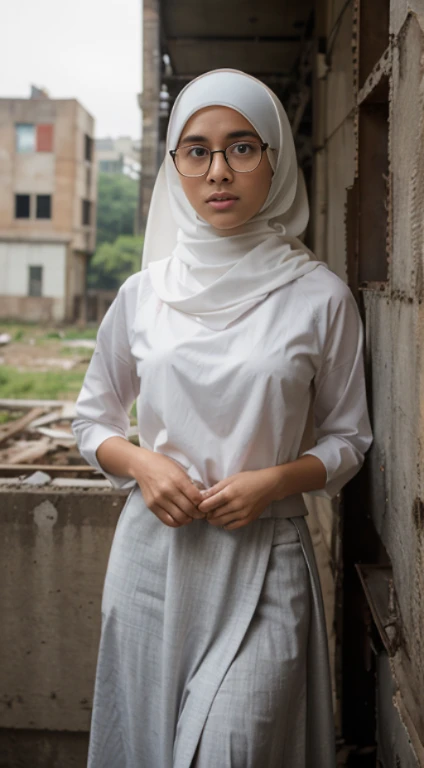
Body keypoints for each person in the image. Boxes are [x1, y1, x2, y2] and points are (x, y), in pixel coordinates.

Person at [73, 69, 373, 768]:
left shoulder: (318, 296)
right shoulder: (143, 295)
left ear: (275, 158)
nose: (218, 171)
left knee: (231, 749)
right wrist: (144, 463)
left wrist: (270, 483)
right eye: (196, 151)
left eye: (242, 147)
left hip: (266, 557)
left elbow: (350, 439)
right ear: (175, 167)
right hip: (154, 559)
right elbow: (93, 422)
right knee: (145, 744)